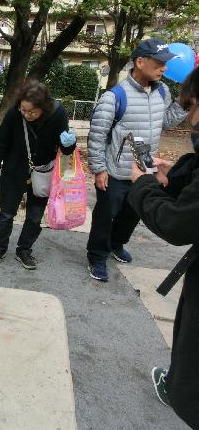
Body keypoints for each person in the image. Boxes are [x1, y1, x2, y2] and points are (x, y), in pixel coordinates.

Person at [127, 66, 199, 429]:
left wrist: (142, 186)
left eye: (193, 106)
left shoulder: (159, 95)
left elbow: (176, 222)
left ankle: (180, 391)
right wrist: (179, 172)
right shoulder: (120, 95)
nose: (190, 118)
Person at [86, 38, 188, 282]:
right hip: (115, 171)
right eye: (160, 63)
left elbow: (166, 121)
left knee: (132, 214)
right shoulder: (114, 96)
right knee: (105, 215)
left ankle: (116, 244)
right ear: (140, 62)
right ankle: (97, 256)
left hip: (144, 169)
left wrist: (184, 103)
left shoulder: (162, 91)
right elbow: (97, 135)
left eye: (166, 63)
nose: (165, 68)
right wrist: (99, 169)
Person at [0, 79, 76, 270]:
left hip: (43, 170)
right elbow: (1, 141)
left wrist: (69, 144)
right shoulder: (14, 114)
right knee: (6, 213)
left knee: (35, 216)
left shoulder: (57, 114)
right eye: (23, 110)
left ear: (43, 107)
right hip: (14, 168)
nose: (27, 114)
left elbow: (65, 149)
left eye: (32, 112)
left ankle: (24, 250)